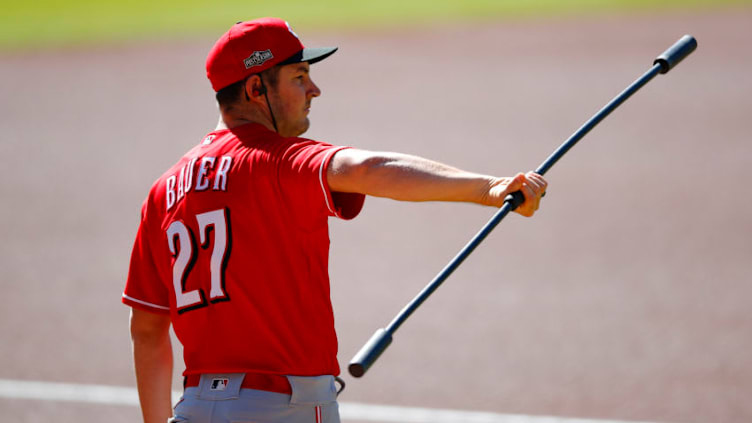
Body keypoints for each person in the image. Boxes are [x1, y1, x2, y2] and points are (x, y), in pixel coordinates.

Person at [122, 17, 547, 423]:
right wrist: (488, 189)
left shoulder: (163, 192)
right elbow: (369, 168)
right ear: (256, 87)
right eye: (299, 77)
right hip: (279, 410)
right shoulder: (276, 160)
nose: (315, 89)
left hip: (194, 409)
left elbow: (146, 329)